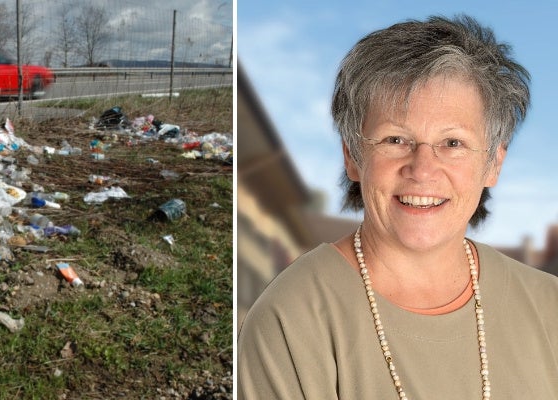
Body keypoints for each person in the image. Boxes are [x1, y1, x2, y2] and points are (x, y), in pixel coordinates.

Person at [237, 14, 558, 399]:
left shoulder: (549, 307)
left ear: (493, 164)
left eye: (452, 143)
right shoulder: (290, 320)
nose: (422, 169)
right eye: (395, 139)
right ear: (353, 156)